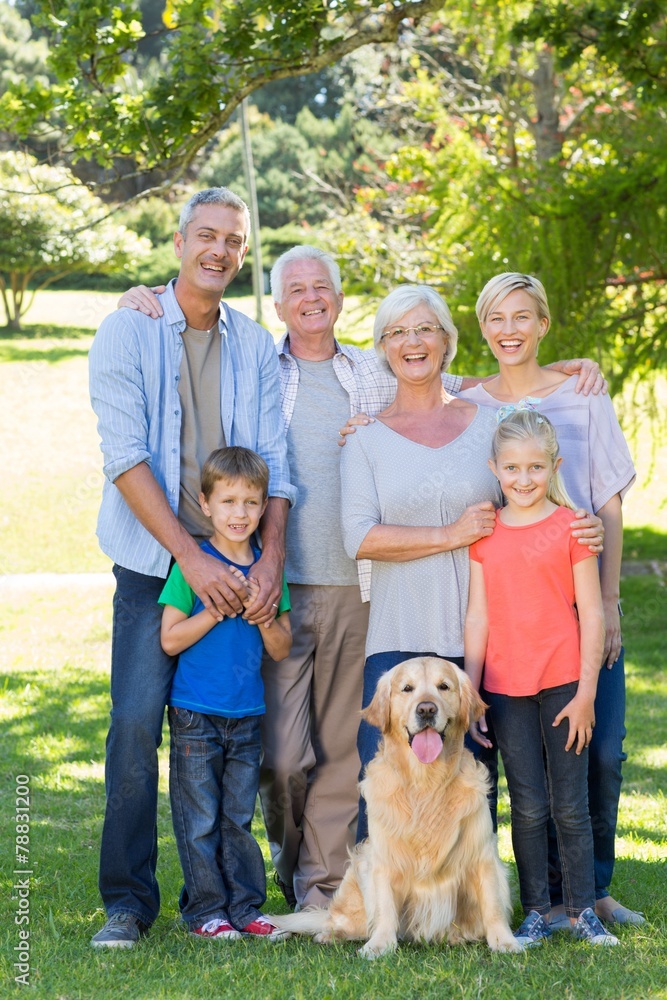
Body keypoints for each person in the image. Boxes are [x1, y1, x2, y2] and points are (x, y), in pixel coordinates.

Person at [118, 249, 602, 910]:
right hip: (294, 585)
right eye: (295, 288)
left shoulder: (410, 389)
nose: (311, 297)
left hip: (416, 605)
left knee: (400, 761)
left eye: (322, 286)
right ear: (279, 303)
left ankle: (393, 892)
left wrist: (567, 371)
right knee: (291, 756)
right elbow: (201, 322)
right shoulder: (269, 365)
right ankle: (307, 877)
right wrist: (141, 301)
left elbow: (494, 413)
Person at [88, 187, 294, 948]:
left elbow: (275, 459)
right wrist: (189, 557)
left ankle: (233, 894)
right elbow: (124, 456)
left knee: (238, 729)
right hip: (157, 566)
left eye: (232, 241)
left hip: (239, 566)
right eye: (205, 235)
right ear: (179, 242)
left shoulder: (252, 345)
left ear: (242, 254)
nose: (219, 250)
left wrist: (269, 555)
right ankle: (127, 902)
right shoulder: (127, 330)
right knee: (137, 728)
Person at [339, 285, 604, 840]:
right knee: (385, 781)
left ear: (448, 341)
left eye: (426, 329)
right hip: (400, 632)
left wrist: (583, 525)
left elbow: (531, 493)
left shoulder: (489, 420)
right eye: (398, 333)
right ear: (383, 347)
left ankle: (486, 906)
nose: (413, 342)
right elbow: (358, 537)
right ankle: (381, 906)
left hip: (484, 640)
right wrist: (450, 533)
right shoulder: (365, 437)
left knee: (477, 789)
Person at [460, 272, 640, 927]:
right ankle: (536, 898)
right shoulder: (465, 399)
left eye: (522, 317)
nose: (509, 329)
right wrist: (367, 416)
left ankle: (588, 891)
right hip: (509, 611)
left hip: (582, 600)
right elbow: (405, 378)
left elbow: (610, 504)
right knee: (525, 773)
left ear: (541, 323)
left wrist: (612, 600)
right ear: (481, 327)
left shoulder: (584, 395)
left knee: (603, 751)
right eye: (496, 318)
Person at [465, 410, 618, 947]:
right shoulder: (485, 536)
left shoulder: (570, 527)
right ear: (495, 468)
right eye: (511, 467)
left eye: (535, 466)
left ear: (553, 465)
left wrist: (586, 694)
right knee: (527, 804)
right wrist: (472, 693)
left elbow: (593, 615)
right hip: (506, 692)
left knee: (569, 803)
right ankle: (535, 911)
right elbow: (478, 617)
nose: (523, 478)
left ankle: (582, 910)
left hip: (562, 686)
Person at [159, 446, 292, 942]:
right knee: (199, 820)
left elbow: (280, 647)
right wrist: (214, 608)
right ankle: (205, 912)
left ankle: (244, 907)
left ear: (263, 507)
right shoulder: (195, 567)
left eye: (251, 503)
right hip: (195, 713)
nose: (240, 513)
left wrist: (261, 613)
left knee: (238, 817)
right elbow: (170, 638)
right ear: (206, 504)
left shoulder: (266, 571)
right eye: (229, 501)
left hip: (247, 714)